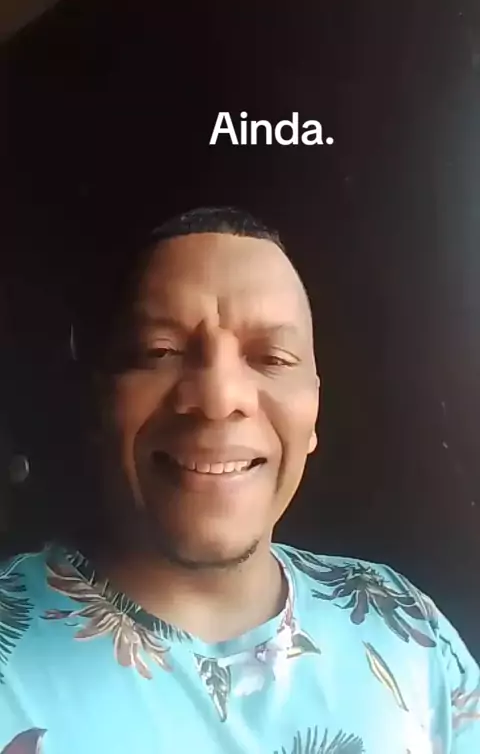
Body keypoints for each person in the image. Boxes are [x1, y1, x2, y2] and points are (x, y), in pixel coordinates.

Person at [0, 206, 478, 754]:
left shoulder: (405, 624)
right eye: (160, 352)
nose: (219, 397)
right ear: (100, 402)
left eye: (272, 358)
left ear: (314, 412)